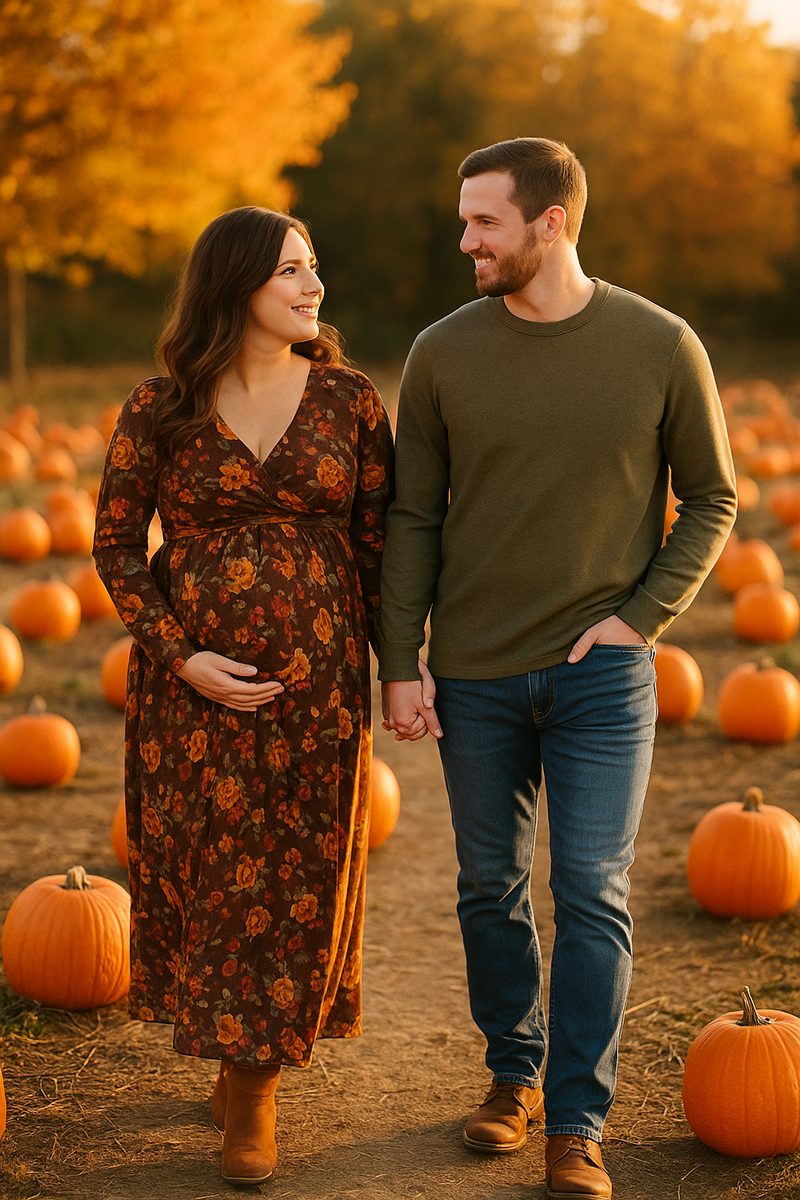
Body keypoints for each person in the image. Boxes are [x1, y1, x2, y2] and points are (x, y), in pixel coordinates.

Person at [378, 137, 736, 1199]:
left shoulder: (660, 344)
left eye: (483, 222)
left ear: (551, 223)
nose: (465, 241)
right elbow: (412, 515)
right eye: (463, 221)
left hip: (602, 678)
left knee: (590, 890)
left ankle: (577, 1121)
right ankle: (513, 1073)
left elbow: (712, 498)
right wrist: (400, 660)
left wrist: (640, 619)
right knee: (487, 888)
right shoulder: (441, 354)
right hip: (475, 674)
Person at [93, 206, 393, 1186]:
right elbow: (114, 547)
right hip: (191, 695)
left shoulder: (349, 400)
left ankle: (254, 1085)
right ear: (235, 287)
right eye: (290, 272)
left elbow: (379, 546)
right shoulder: (161, 406)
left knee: (296, 874)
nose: (314, 287)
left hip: (318, 688)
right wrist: (181, 656)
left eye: (314, 267)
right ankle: (234, 1058)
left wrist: (399, 666)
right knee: (213, 873)